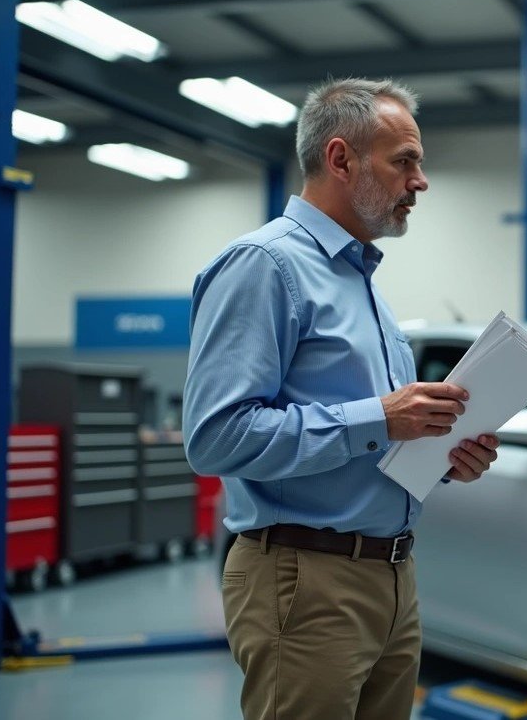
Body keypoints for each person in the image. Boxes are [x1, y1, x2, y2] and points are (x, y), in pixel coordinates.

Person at [184, 77, 500, 720]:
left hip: (391, 579)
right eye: (404, 161)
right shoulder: (265, 266)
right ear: (340, 159)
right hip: (305, 582)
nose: (421, 181)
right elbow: (215, 435)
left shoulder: (362, 284)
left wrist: (441, 452)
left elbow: (371, 439)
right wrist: (382, 417)